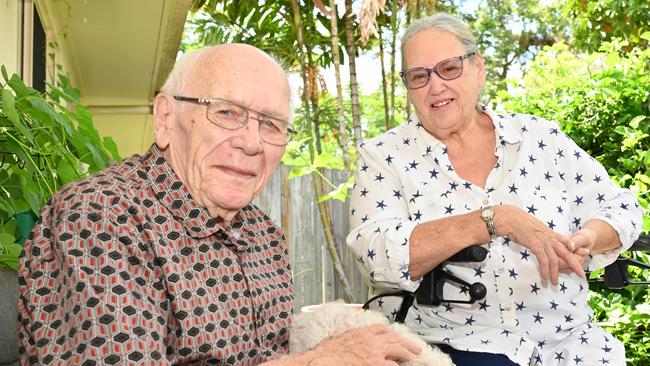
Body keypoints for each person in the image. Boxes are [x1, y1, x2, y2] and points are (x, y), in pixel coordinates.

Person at [18, 44, 421, 365]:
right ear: (165, 118)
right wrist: (320, 361)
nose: (252, 142)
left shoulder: (263, 235)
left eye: (271, 124)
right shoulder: (99, 216)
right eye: (227, 112)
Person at [346, 13, 643, 366]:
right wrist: (494, 220)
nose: (435, 86)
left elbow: (621, 207)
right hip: (451, 346)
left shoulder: (539, 139)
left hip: (570, 344)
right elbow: (375, 253)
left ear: (478, 69)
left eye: (449, 68)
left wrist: (590, 238)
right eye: (419, 76)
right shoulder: (384, 157)